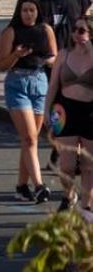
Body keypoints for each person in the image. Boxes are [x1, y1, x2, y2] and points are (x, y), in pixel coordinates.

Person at [0, 0, 56, 202]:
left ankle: (22, 186)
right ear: (18, 11)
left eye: (32, 10)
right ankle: (39, 186)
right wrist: (16, 54)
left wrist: (46, 60)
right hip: (17, 83)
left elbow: (54, 55)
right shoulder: (11, 32)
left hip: (39, 82)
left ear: (38, 11)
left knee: (28, 139)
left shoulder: (45, 29)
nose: (28, 14)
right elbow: (2, 65)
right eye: (24, 10)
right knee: (30, 137)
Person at [48, 17, 93, 211]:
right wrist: (45, 112)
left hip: (90, 112)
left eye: (81, 30)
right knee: (66, 165)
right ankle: (69, 194)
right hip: (65, 111)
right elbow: (52, 87)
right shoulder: (63, 54)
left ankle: (86, 207)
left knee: (88, 165)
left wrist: (90, 49)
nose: (77, 34)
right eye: (74, 30)